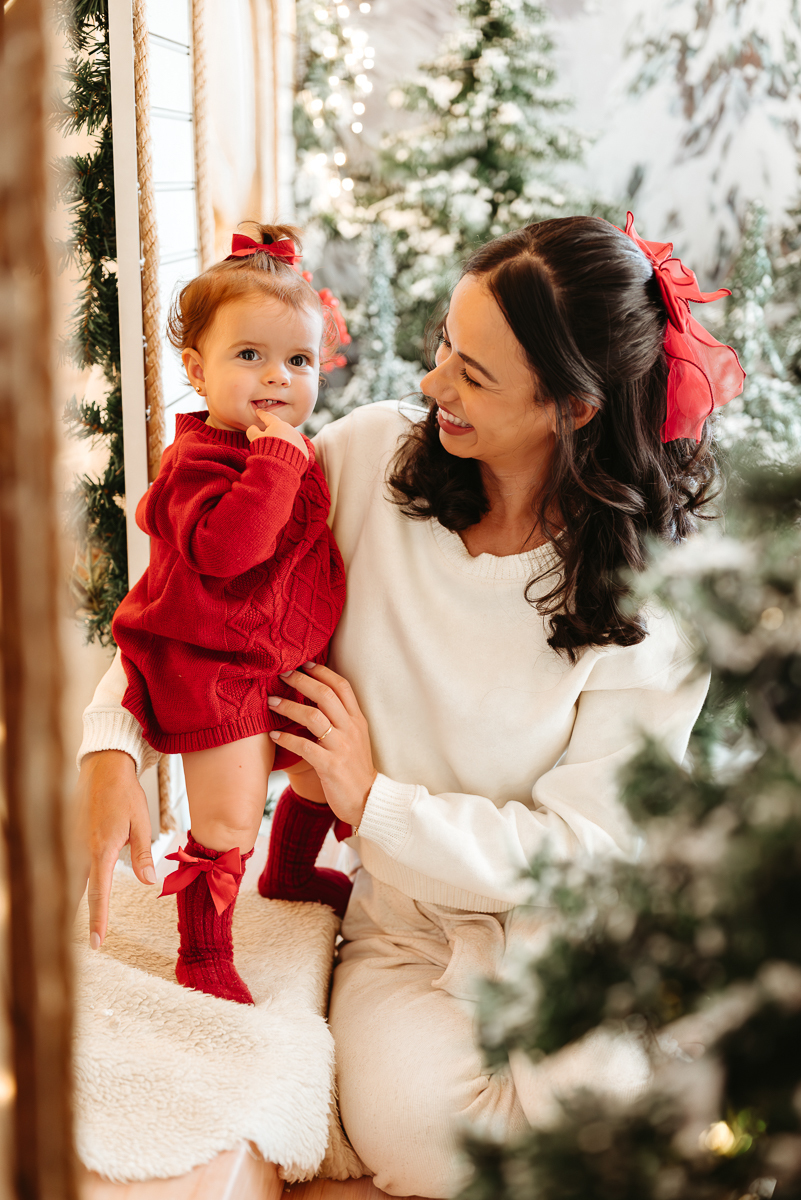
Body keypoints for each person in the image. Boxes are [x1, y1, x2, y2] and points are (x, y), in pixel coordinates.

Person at [76, 214, 744, 1197]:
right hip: (404, 927)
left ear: (575, 408)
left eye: (472, 377)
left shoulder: (654, 611)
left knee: (601, 1122)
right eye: (443, 348)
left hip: (568, 930)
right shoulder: (365, 464)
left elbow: (591, 853)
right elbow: (190, 604)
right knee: (430, 1141)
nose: (432, 387)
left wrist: (371, 795)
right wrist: (112, 743)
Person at [109, 223, 351, 1006]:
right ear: (196, 370)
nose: (276, 378)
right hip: (212, 665)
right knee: (226, 813)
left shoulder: (289, 446)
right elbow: (227, 551)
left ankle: (287, 871)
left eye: (298, 360)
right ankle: (202, 949)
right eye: (249, 356)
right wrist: (279, 462)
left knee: (318, 767)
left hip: (279, 654)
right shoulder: (198, 462)